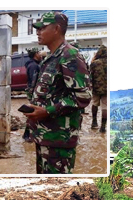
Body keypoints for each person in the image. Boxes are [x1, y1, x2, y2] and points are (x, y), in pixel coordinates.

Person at [23, 12, 92, 174]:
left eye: (42, 28)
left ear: (56, 29)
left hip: (59, 140)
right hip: (45, 136)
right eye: (37, 29)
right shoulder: (51, 58)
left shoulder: (70, 56)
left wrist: (47, 111)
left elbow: (83, 96)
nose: (38, 32)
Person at [23, 48, 42, 142]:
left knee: (33, 113)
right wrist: (35, 94)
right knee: (33, 113)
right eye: (39, 52)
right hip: (34, 92)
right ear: (35, 54)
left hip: (33, 92)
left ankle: (28, 135)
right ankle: (28, 136)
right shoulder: (34, 66)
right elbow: (34, 81)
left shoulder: (33, 64)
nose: (41, 54)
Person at [90, 45, 107, 133]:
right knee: (105, 107)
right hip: (107, 89)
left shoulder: (95, 63)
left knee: (95, 103)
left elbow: (90, 76)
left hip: (96, 87)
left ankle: (94, 121)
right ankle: (103, 127)